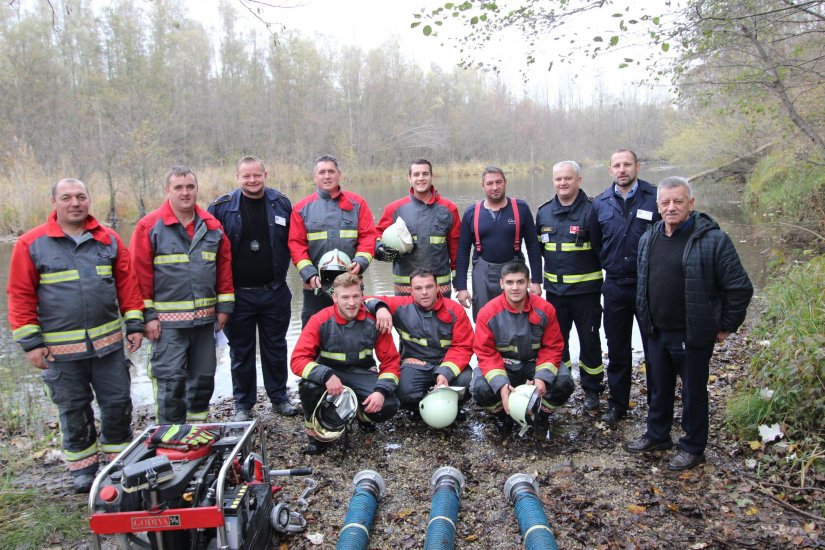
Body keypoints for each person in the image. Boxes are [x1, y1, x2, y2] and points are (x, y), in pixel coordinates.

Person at [7, 178, 144, 493]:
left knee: (118, 403)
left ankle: (118, 460)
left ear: (89, 200)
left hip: (108, 348)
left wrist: (134, 324)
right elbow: (20, 296)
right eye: (66, 197)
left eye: (81, 197)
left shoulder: (108, 240)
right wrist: (31, 344)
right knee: (72, 408)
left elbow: (128, 286)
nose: (75, 203)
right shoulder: (32, 244)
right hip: (60, 353)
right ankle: (83, 470)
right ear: (53, 202)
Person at [627, 177, 753, 470]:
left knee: (693, 392)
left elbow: (739, 287)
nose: (671, 207)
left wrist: (725, 326)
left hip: (692, 333)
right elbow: (644, 282)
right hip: (656, 331)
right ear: (658, 205)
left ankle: (693, 447)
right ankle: (657, 435)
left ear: (691, 204)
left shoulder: (712, 239)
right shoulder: (649, 237)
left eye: (678, 201)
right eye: (665, 202)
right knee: (658, 387)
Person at [131, 166, 234, 424]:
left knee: (203, 378)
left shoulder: (212, 227)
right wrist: (148, 316)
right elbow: (138, 276)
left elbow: (224, 269)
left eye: (190, 187)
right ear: (167, 191)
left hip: (204, 322)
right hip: (167, 325)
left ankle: (197, 431)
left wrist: (223, 308)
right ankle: (170, 436)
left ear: (196, 189)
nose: (185, 193)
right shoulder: (149, 227)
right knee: (170, 380)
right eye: (178, 188)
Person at [208, 156, 298, 420]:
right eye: (246, 176)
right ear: (237, 177)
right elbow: (210, 252)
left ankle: (279, 398)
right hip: (239, 294)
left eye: (257, 175)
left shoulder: (281, 204)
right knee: (241, 351)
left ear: (265, 174)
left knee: (276, 347)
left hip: (275, 291)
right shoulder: (221, 208)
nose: (252, 180)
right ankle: (243, 405)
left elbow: (295, 242)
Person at [290, 273, 401, 454]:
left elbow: (391, 362)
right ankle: (315, 434)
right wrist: (325, 375)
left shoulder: (374, 321)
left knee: (389, 404)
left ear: (362, 296)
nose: (351, 303)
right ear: (334, 298)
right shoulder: (320, 320)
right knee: (308, 387)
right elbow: (297, 360)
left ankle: (361, 416)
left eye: (356, 296)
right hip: (329, 373)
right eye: (345, 297)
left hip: (361, 373)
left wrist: (381, 391)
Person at [590, 149, 660, 425]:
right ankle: (618, 405)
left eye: (627, 165)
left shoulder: (654, 198)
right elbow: (597, 243)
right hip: (616, 286)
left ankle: (657, 404)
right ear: (610, 170)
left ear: (637, 167)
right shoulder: (601, 203)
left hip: (649, 286)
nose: (622, 170)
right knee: (617, 349)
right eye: (617, 165)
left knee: (654, 349)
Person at [535, 161, 605, 413]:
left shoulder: (592, 211)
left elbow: (601, 250)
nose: (562, 183)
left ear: (579, 180)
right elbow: (541, 251)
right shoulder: (543, 213)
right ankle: (560, 385)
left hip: (586, 294)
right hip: (555, 294)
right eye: (558, 179)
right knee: (556, 344)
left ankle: (592, 390)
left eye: (568, 178)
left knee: (589, 341)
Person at [471, 260, 569, 432]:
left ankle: (541, 414)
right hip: (505, 367)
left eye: (520, 282)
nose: (515, 287)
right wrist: (500, 384)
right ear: (501, 284)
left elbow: (552, 347)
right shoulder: (487, 313)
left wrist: (542, 377)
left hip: (535, 364)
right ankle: (502, 415)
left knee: (564, 382)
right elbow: (485, 353)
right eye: (509, 282)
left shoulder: (545, 309)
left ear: (529, 283)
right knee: (480, 388)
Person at [367, 268, 474, 414]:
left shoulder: (454, 310)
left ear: (437, 288)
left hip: (447, 362)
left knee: (467, 382)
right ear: (411, 291)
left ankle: (453, 406)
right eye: (418, 288)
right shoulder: (401, 306)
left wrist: (445, 372)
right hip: (416, 364)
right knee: (403, 392)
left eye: (429, 287)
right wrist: (380, 308)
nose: (424, 292)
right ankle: (418, 408)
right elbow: (363, 299)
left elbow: (463, 347)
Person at [289, 154, 378, 326]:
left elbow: (368, 236)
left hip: (351, 285)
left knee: (356, 333)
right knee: (313, 335)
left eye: (331, 171)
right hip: (315, 287)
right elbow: (295, 245)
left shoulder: (358, 203)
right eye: (322, 172)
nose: (327, 176)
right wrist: (309, 274)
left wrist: (360, 262)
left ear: (339, 174)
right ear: (314, 177)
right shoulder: (301, 208)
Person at [455, 166, 543, 320]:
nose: (495, 187)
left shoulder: (520, 208)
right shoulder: (471, 213)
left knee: (518, 318)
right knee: (484, 318)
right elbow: (462, 252)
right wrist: (461, 287)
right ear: (482, 185)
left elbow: (533, 246)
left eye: (498, 182)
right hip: (482, 272)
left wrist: (536, 280)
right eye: (489, 183)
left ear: (505, 182)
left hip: (515, 270)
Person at [375, 159, 461, 296]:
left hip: (440, 287)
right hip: (405, 288)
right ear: (409, 178)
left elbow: (457, 249)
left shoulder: (449, 209)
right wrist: (379, 249)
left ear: (432, 177)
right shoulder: (394, 209)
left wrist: (460, 282)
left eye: (425, 174)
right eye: (416, 175)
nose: (421, 178)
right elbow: (374, 236)